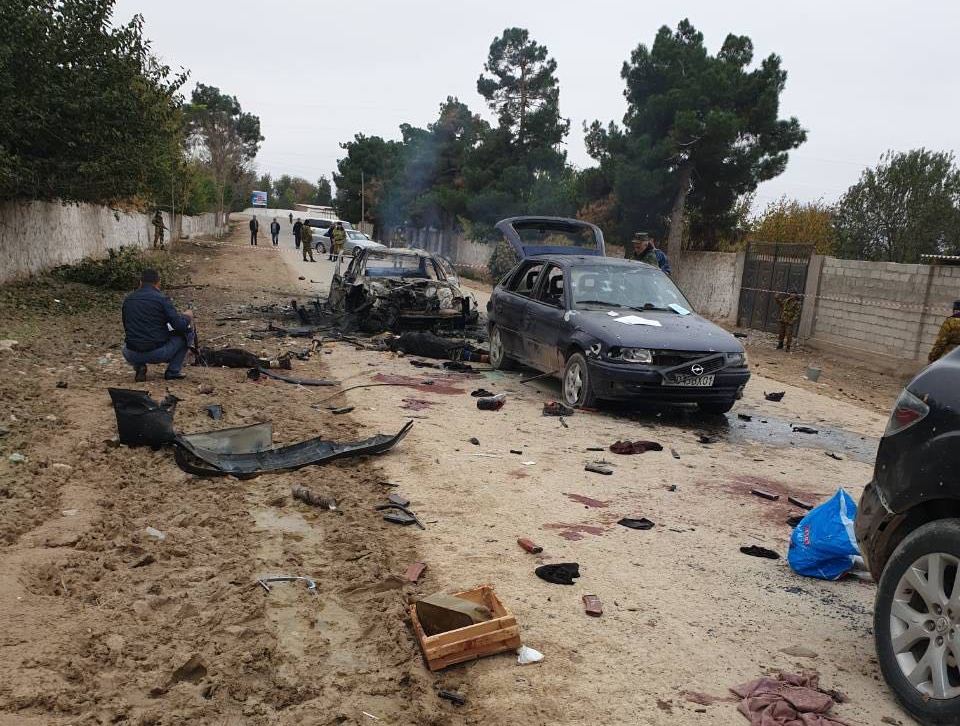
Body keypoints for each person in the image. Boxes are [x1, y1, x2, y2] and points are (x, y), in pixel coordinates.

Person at [121, 268, 194, 382]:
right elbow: (180, 325)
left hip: (130, 353)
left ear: (140, 282)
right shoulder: (161, 299)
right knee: (188, 334)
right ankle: (173, 371)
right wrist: (187, 316)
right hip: (157, 353)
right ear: (158, 282)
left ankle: (139, 366)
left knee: (136, 336)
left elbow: (127, 326)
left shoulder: (128, 300)